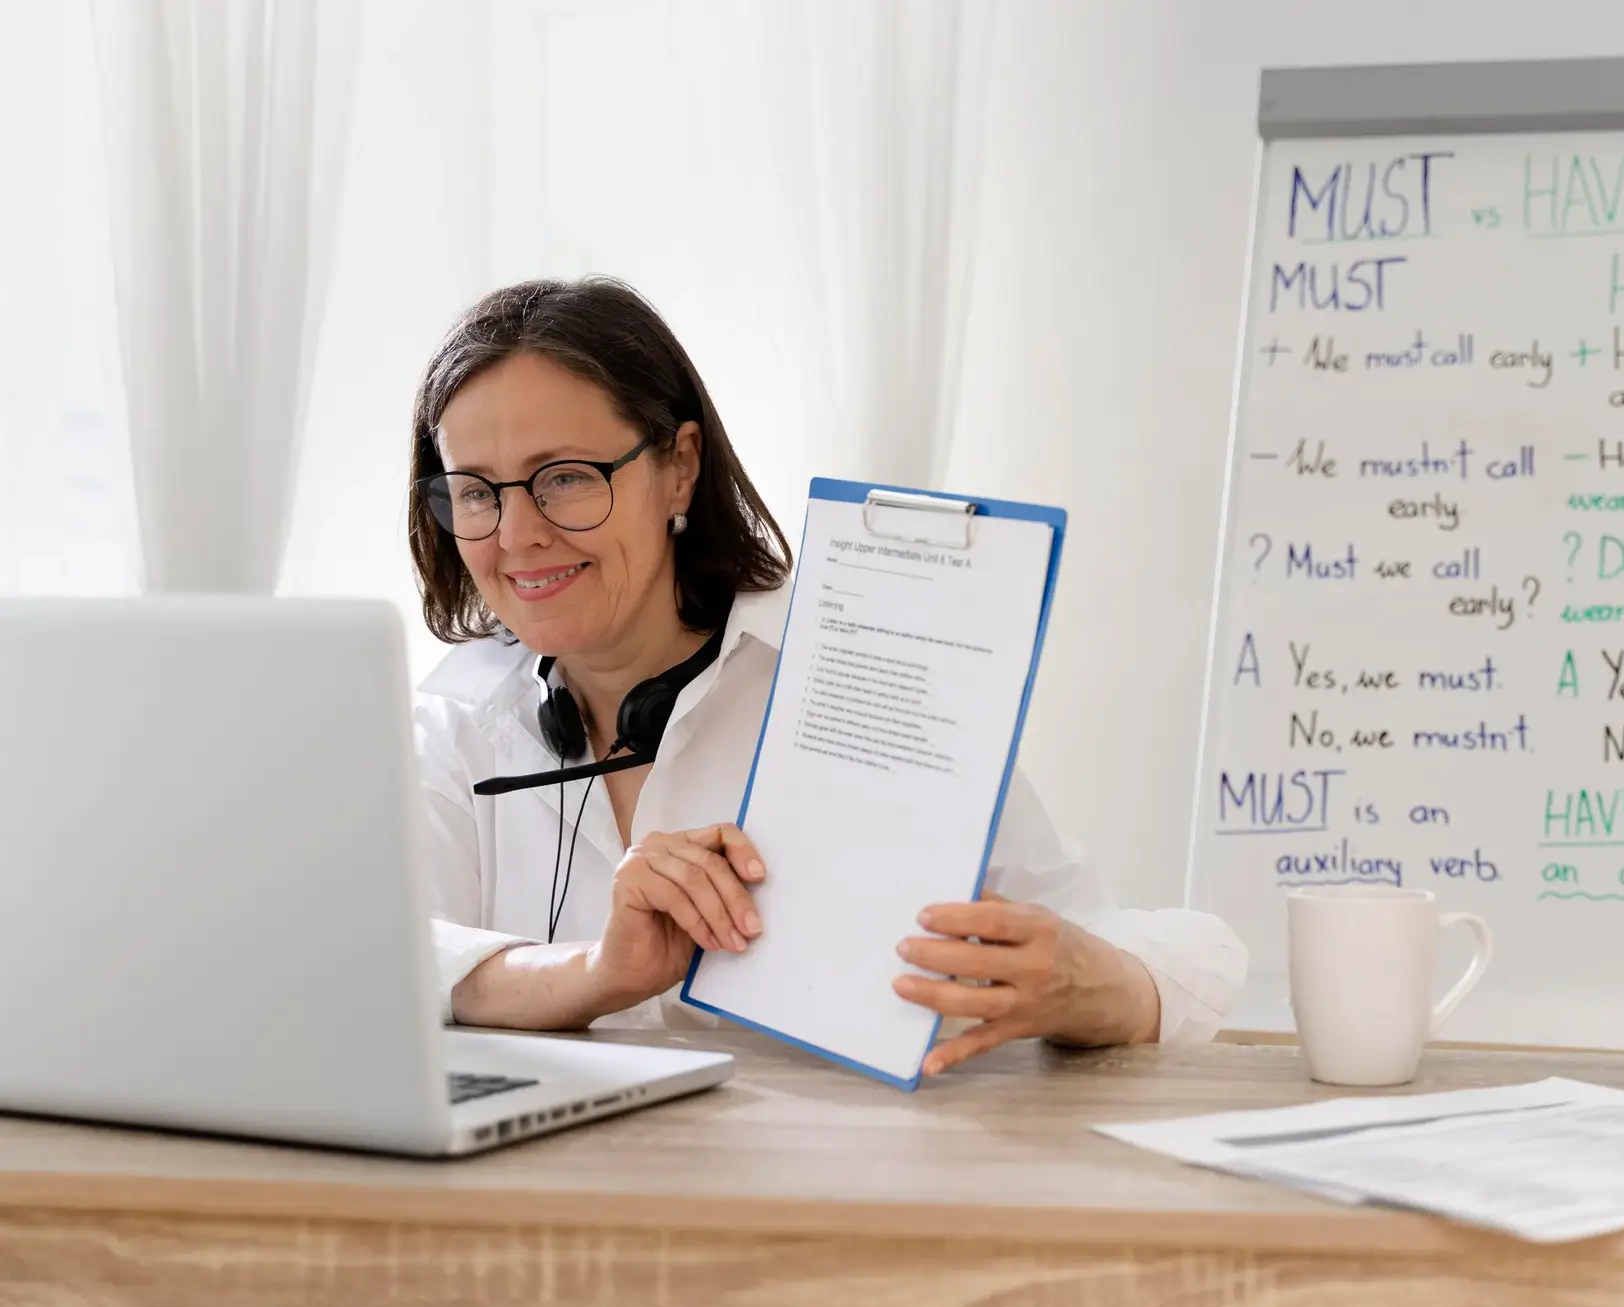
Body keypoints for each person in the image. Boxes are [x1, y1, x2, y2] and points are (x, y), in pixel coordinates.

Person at [411, 276, 1245, 1076]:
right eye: (475, 492)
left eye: (564, 478)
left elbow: (1112, 948)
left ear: (679, 466)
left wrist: (1103, 991)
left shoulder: (870, 671)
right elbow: (385, 955)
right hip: (549, 1215)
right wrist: (598, 971)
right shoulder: (453, 717)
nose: (516, 534)